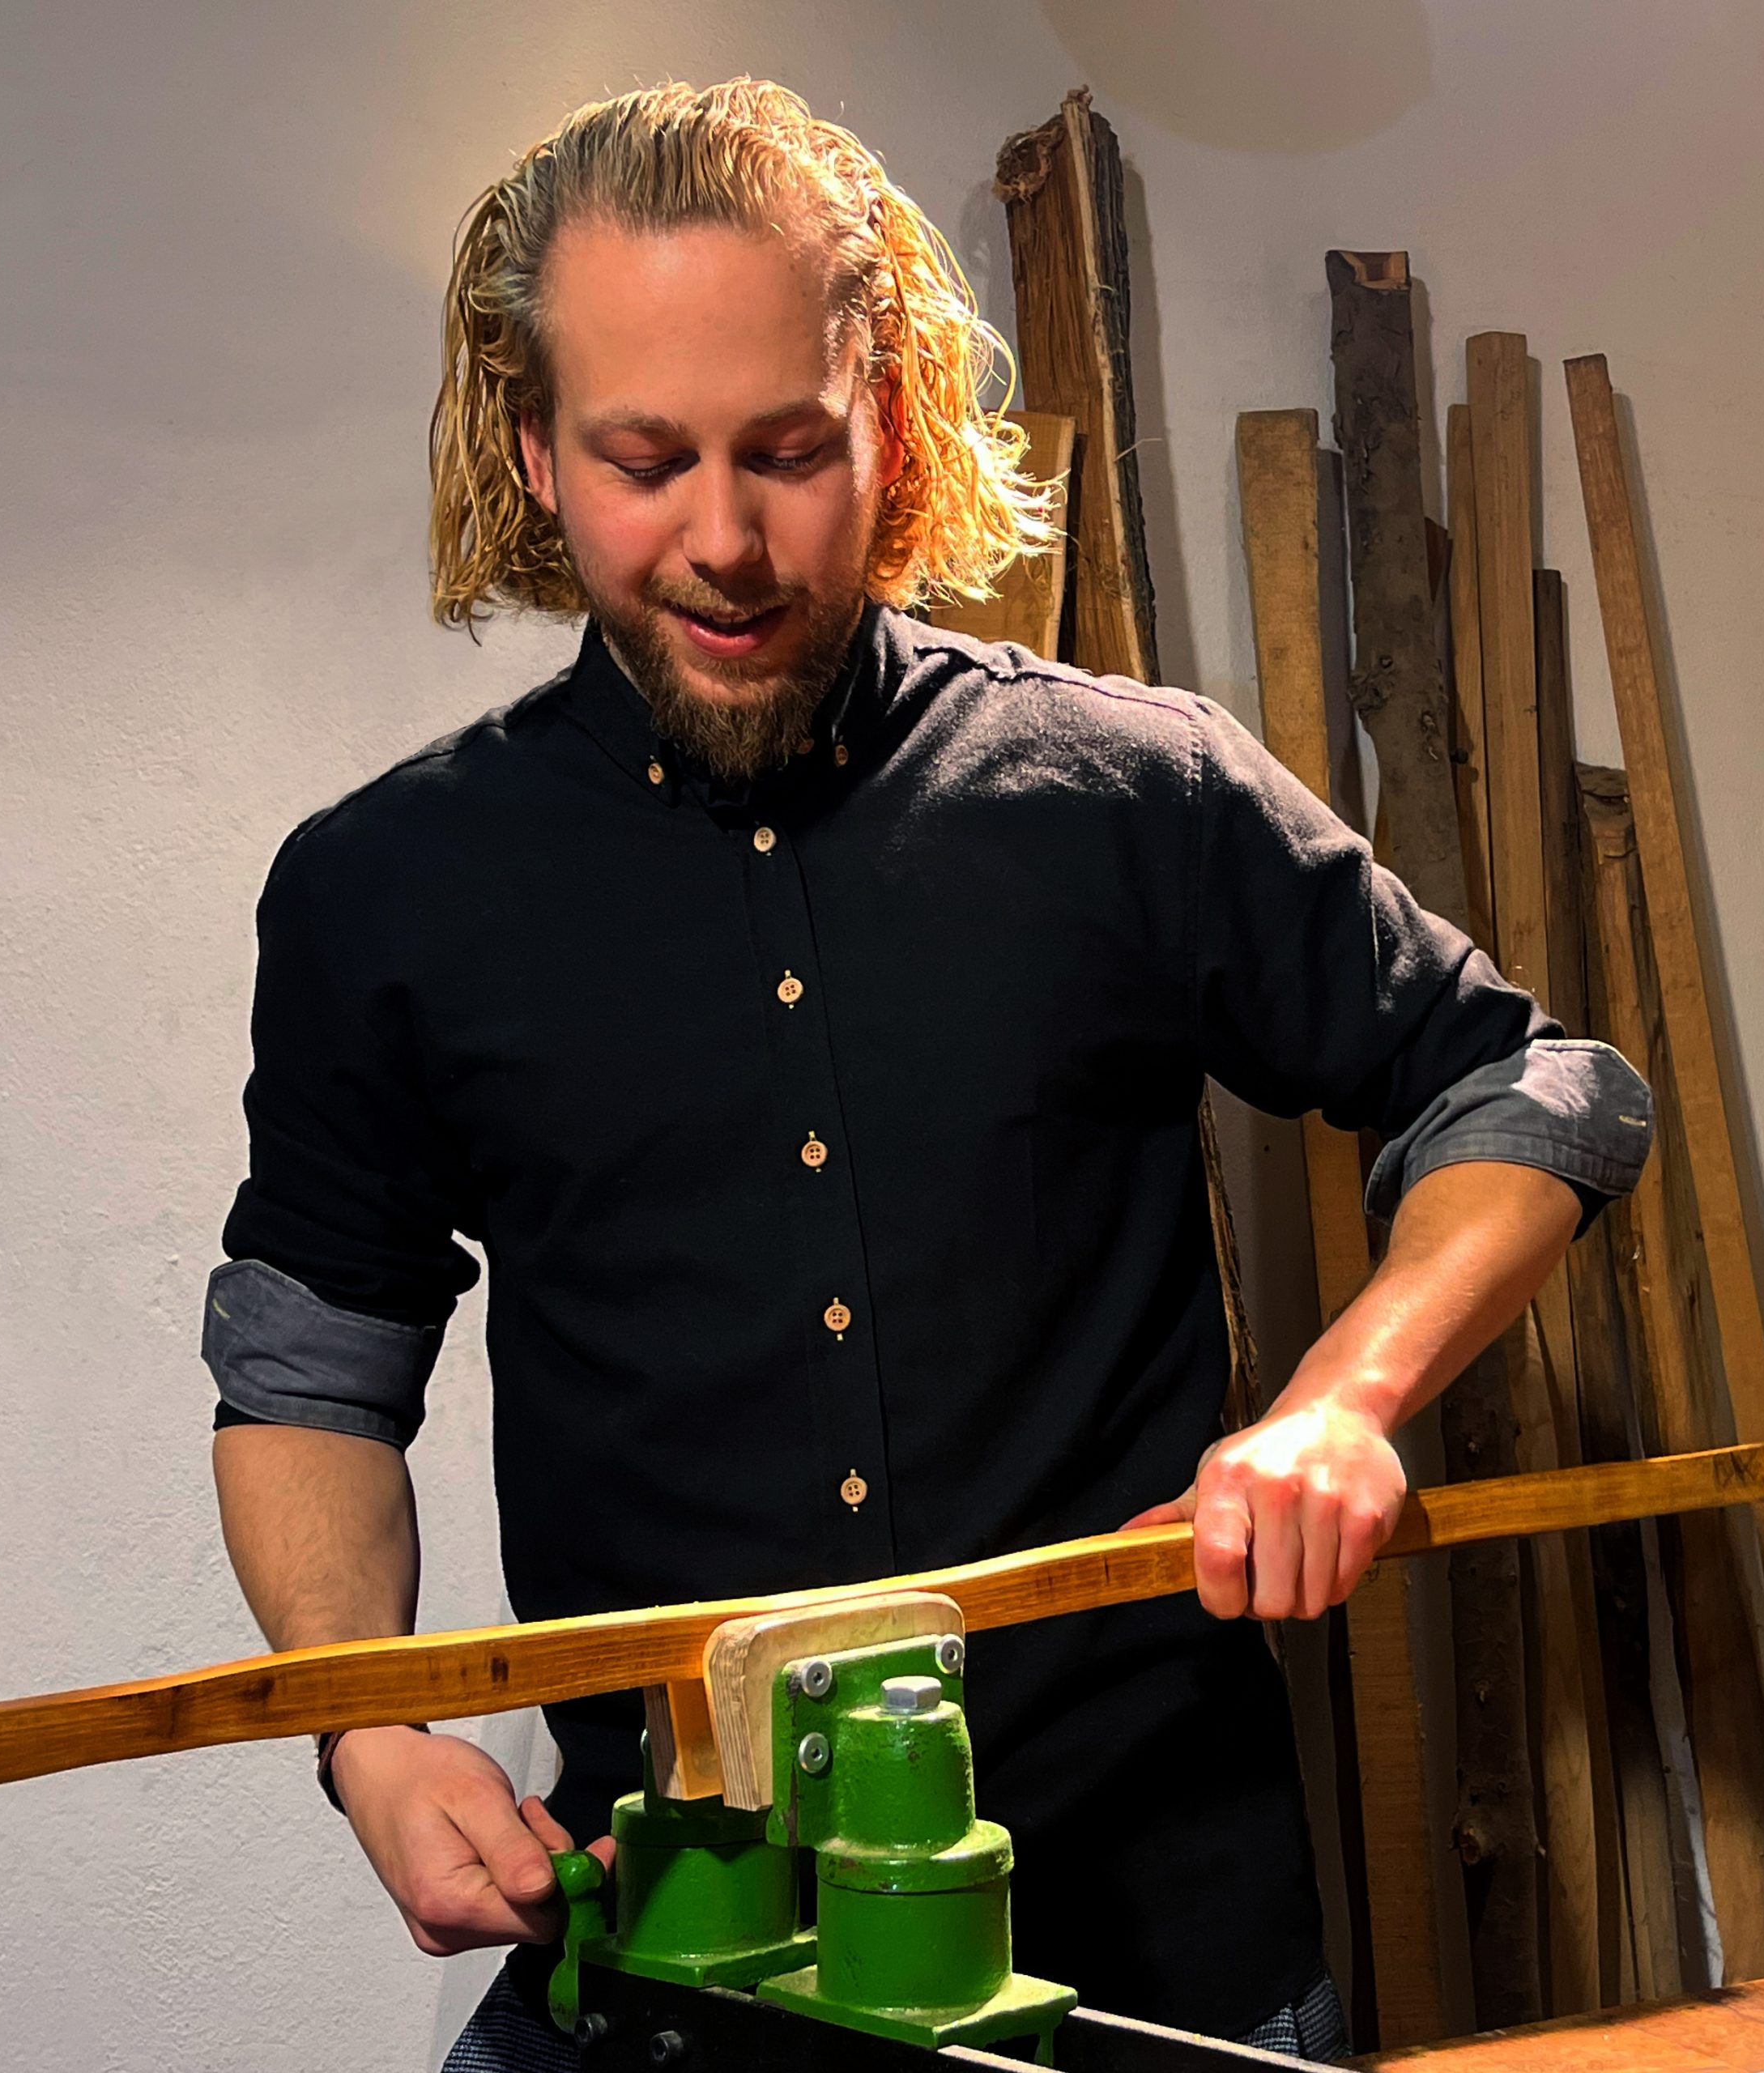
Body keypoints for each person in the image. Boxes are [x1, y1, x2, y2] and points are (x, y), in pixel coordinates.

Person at [204, 78, 1651, 2070]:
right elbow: (307, 1370)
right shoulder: (383, 890)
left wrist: (1346, 1400)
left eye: (789, 450)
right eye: (645, 461)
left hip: (1158, 1970)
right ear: (536, 451)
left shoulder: (1135, 793)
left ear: (888, 420)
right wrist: (362, 1723)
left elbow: (1531, 1084)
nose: (724, 540)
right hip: (677, 1975)